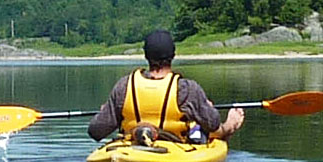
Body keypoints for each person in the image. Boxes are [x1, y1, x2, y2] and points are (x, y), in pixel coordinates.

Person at [87, 30, 245, 144]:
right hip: (175, 148)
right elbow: (213, 123)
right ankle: (230, 125)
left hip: (132, 148)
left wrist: (106, 112)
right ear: (173, 56)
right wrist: (206, 107)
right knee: (215, 130)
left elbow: (96, 131)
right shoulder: (186, 89)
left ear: (146, 56)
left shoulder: (124, 87)